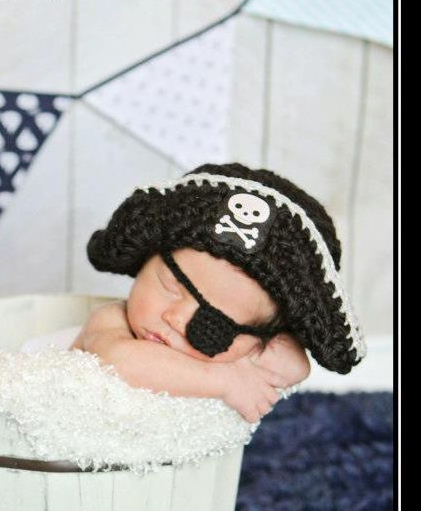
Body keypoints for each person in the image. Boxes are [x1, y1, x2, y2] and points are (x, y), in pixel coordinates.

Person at [68, 161, 367, 424]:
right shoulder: (110, 320)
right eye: (171, 286)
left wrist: (246, 345)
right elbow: (123, 363)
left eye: (215, 324)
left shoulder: (243, 346)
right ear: (147, 258)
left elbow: (295, 367)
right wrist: (224, 379)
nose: (174, 318)